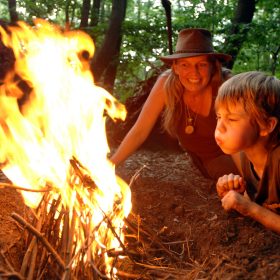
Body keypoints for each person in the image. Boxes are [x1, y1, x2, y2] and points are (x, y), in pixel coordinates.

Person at [110, 28, 239, 180]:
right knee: (224, 171)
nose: (194, 73)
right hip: (211, 161)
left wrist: (250, 177)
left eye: (201, 64)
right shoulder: (166, 84)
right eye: (185, 65)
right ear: (175, 67)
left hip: (239, 155)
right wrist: (109, 166)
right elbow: (140, 131)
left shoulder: (228, 85)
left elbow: (243, 141)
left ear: (212, 66)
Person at [215, 71, 280, 234]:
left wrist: (249, 209)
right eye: (218, 117)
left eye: (232, 119)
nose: (219, 128)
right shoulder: (244, 154)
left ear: (267, 125)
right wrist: (238, 195)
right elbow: (265, 205)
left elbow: (255, 209)